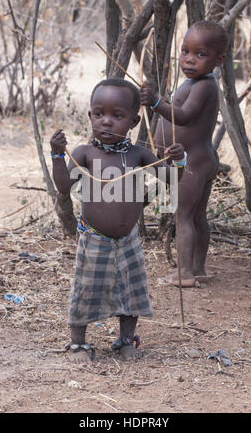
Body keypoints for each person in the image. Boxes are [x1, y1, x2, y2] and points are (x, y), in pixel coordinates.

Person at [50, 77, 186, 363]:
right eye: (99, 114)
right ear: (90, 116)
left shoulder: (139, 154)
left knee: (131, 291)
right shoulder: (84, 154)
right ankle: (78, 344)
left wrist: (178, 160)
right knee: (87, 290)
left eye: (117, 115)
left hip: (129, 240)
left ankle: (125, 341)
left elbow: (169, 179)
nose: (106, 122)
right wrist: (57, 156)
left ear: (134, 122)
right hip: (94, 238)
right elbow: (63, 187)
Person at [140, 20, 229, 288]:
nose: (190, 60)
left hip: (192, 162)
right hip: (201, 159)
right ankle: (197, 268)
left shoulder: (203, 86)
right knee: (197, 216)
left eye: (201, 54)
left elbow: (185, 116)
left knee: (184, 216)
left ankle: (186, 272)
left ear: (219, 59)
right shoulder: (196, 82)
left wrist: (156, 103)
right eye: (185, 51)